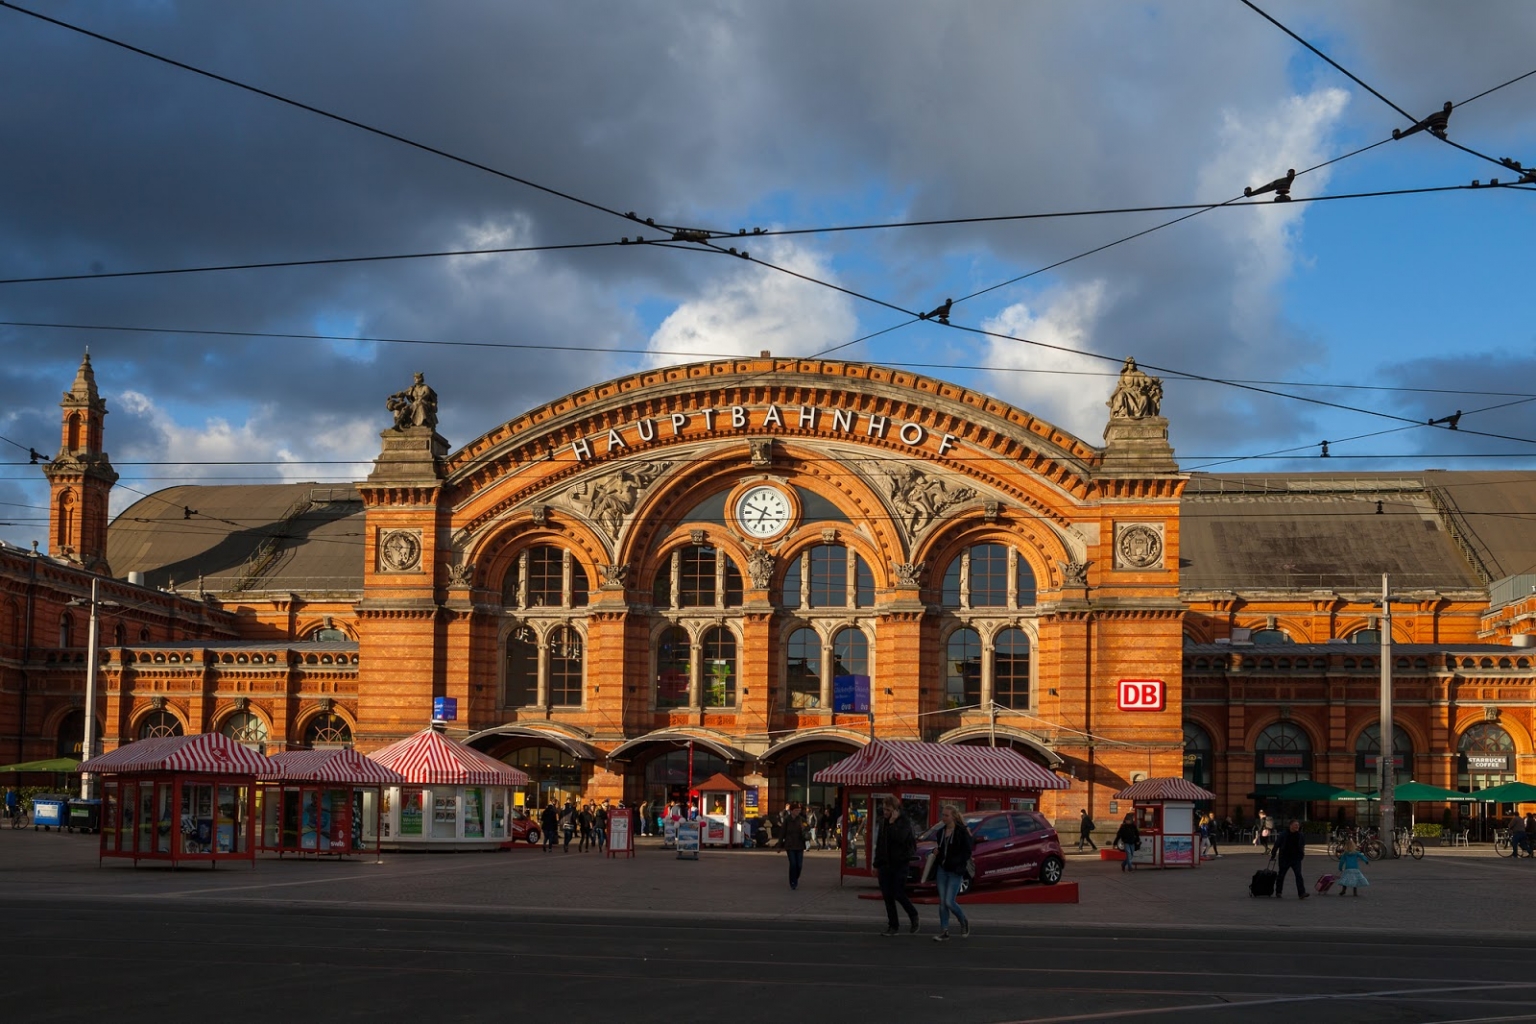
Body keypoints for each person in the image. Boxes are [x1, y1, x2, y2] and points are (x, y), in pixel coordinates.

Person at [873, 796, 919, 936]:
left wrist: (893, 823)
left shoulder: (903, 822)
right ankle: (893, 926)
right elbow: (880, 844)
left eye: (888, 809)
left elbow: (900, 838)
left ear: (895, 810)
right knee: (887, 896)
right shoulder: (882, 822)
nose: (885, 812)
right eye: (884, 809)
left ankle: (913, 914)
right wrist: (876, 864)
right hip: (885, 864)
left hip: (900, 863)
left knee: (898, 893)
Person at [932, 804, 973, 942]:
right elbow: (940, 849)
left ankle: (963, 920)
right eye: (942, 815)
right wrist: (936, 853)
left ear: (953, 817)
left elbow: (967, 851)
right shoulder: (941, 832)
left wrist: (957, 862)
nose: (943, 817)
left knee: (949, 901)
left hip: (955, 870)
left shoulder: (961, 832)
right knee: (942, 902)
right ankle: (944, 930)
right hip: (942, 869)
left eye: (946, 815)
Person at [1274, 819, 1309, 898]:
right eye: (1295, 825)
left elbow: (1302, 846)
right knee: (1281, 875)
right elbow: (1277, 844)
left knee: (1298, 875)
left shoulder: (1300, 835)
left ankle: (1301, 893)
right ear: (1290, 826)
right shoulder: (1284, 834)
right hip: (1285, 858)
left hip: (1296, 858)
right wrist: (1273, 854)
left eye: (1298, 825)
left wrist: (1301, 855)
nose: (1297, 826)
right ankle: (1278, 892)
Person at [781, 802, 807, 890]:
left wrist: (805, 828)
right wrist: (780, 844)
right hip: (790, 845)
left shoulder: (801, 819)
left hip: (800, 845)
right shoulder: (787, 820)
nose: (798, 812)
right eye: (796, 810)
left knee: (799, 865)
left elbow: (808, 826)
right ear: (792, 811)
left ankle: (795, 877)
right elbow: (782, 833)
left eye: (799, 810)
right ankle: (793, 881)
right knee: (793, 864)